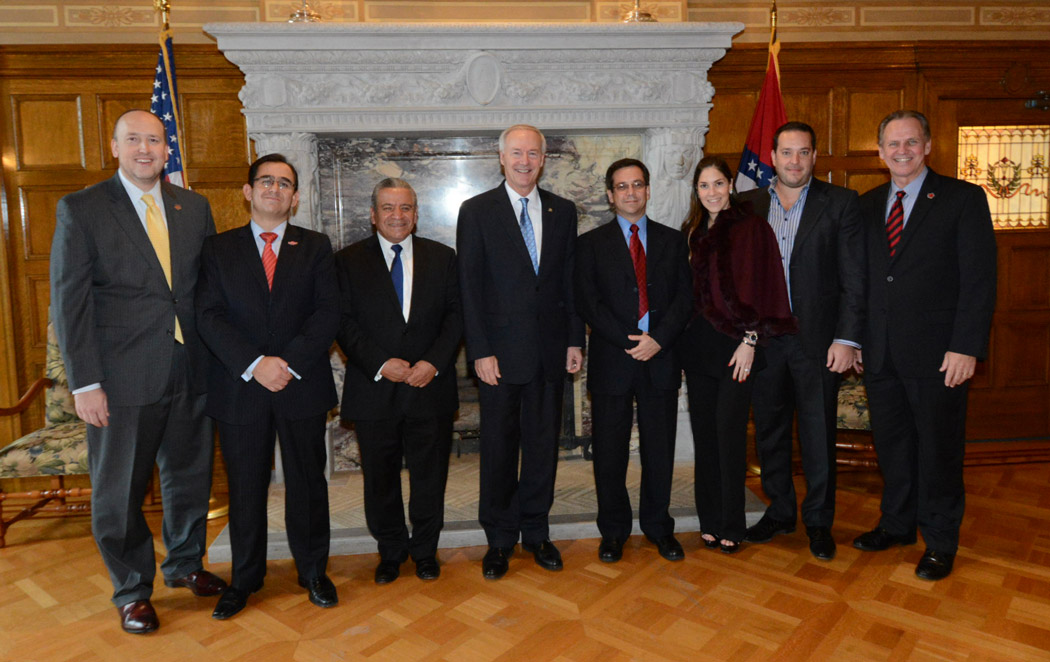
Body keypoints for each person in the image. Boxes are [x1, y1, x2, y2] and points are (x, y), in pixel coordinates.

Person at [50, 109, 225, 634]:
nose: (145, 148)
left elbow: (207, 289)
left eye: (154, 139)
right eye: (134, 140)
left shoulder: (192, 207)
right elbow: (70, 303)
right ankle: (131, 589)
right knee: (119, 491)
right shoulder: (82, 209)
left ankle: (185, 564)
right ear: (115, 146)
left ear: (167, 149)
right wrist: (85, 382)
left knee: (190, 477)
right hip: (121, 378)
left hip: (191, 368)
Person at [853, 110, 996, 580]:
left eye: (910, 142)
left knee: (938, 450)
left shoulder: (962, 199)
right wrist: (854, 339)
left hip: (940, 356)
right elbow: (863, 280)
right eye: (892, 144)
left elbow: (979, 281)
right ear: (879, 151)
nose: (901, 151)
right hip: (880, 353)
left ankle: (939, 540)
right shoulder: (868, 204)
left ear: (928, 145)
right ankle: (896, 524)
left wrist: (966, 347)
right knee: (892, 446)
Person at [196, 153, 340, 619]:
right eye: (266, 181)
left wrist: (287, 363)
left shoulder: (316, 246)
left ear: (295, 197)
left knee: (306, 485)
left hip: (300, 385)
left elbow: (327, 314)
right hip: (241, 388)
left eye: (284, 183)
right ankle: (245, 578)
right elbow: (208, 316)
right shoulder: (217, 249)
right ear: (248, 191)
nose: (274, 189)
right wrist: (256, 364)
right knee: (246, 487)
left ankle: (313, 571)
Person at [456, 124, 584, 580]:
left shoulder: (563, 210)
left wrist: (575, 339)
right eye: (517, 153)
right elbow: (469, 288)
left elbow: (570, 281)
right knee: (498, 448)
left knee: (543, 447)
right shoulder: (476, 211)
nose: (525, 161)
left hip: (551, 352)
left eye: (533, 153)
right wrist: (480, 351)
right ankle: (499, 538)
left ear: (543, 158)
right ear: (501, 156)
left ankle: (536, 532)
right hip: (499, 358)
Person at [739, 121, 866, 561]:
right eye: (787, 152)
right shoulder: (747, 204)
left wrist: (847, 338)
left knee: (817, 434)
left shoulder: (841, 204)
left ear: (814, 156)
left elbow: (854, 278)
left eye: (804, 152)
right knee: (770, 434)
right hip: (766, 341)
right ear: (772, 156)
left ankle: (818, 521)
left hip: (818, 342)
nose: (795, 161)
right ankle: (779, 512)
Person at [335, 179, 462, 585]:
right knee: (380, 479)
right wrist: (379, 362)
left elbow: (456, 317)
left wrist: (434, 362)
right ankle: (390, 552)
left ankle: (425, 551)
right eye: (388, 208)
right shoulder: (347, 261)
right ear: (373, 215)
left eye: (405, 208)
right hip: (374, 388)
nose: (397, 216)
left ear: (416, 213)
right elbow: (342, 321)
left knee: (430, 478)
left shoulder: (443, 258)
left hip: (429, 387)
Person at [574, 158, 693, 563]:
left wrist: (657, 339)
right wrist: (631, 341)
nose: (630, 192)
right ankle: (614, 532)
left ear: (647, 190)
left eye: (637, 184)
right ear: (610, 195)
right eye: (622, 186)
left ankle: (659, 527)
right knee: (610, 452)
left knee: (659, 451)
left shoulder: (674, 241)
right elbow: (589, 303)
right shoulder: (589, 244)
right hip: (614, 359)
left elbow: (685, 299)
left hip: (660, 358)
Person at [677, 156, 796, 554]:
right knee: (706, 439)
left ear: (731, 184)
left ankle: (732, 523)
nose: (711, 192)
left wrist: (750, 340)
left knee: (729, 437)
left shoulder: (752, 228)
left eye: (717, 183)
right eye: (703, 186)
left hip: (737, 348)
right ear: (696, 191)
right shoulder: (691, 231)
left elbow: (768, 286)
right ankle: (709, 520)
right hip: (697, 350)